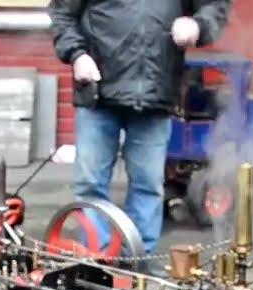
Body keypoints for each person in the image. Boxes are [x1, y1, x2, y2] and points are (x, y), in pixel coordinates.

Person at [47, 0, 231, 261]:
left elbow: (215, 5)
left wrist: (199, 25)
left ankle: (136, 261)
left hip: (155, 96)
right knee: (91, 186)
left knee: (148, 186)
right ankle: (98, 260)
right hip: (97, 92)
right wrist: (77, 55)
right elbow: (62, 12)